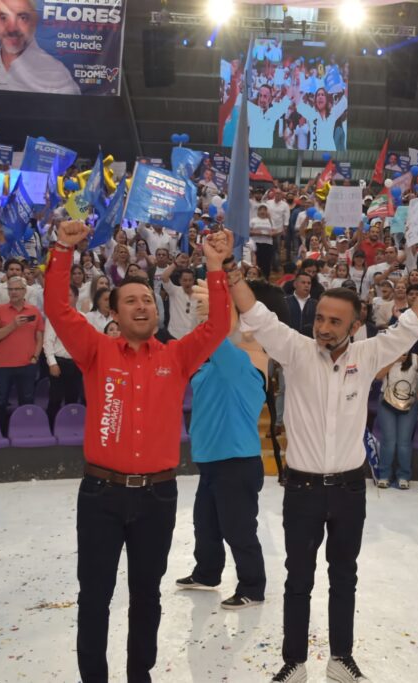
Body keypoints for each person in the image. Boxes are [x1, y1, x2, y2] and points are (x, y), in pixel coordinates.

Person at [229, 241, 418, 683]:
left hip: (350, 489)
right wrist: (231, 275)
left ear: (355, 325)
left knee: (344, 578)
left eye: (335, 321)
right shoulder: (293, 349)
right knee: (298, 581)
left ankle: (341, 659)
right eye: (319, 318)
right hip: (303, 490)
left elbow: (413, 322)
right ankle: (293, 661)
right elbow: (256, 315)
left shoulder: (368, 355)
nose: (324, 327)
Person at [45, 221, 232, 682]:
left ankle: (138, 675)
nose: (142, 305)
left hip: (157, 497)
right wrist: (62, 250)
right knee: (94, 595)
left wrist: (215, 266)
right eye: (131, 299)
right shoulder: (95, 351)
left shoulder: (176, 356)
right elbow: (56, 307)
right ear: (113, 311)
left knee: (147, 594)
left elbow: (219, 324)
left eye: (148, 298)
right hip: (100, 495)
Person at [176, 278, 285, 610]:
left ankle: (253, 585)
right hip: (212, 460)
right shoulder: (222, 360)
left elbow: (216, 340)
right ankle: (207, 572)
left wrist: (218, 316)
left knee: (238, 529)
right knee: (205, 523)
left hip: (236, 462)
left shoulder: (245, 364)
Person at [0, 0, 81, 95]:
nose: (12, 28)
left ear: (34, 22)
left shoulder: (57, 75)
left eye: (22, 17)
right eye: (3, 17)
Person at [0, 276, 44, 432]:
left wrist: (35, 357)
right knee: (0, 401)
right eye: (10, 289)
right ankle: (0, 433)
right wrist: (13, 325)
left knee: (27, 401)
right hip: (3, 365)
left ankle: (26, 431)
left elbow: (39, 338)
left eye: (17, 289)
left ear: (24, 291)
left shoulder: (34, 311)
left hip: (27, 364)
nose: (13, 292)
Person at [375, 351, 418, 490]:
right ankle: (384, 476)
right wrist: (394, 360)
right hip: (387, 401)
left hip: (408, 403)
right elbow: (378, 376)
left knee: (404, 441)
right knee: (389, 441)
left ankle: (404, 476)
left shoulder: (416, 359)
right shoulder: (387, 356)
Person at [44, 286, 84, 425]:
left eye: (69, 295)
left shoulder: (82, 318)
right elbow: (47, 342)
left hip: (77, 364)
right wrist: (52, 363)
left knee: (73, 397)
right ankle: (51, 427)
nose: (66, 298)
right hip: (59, 363)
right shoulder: (55, 317)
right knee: (55, 398)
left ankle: (69, 426)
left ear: (76, 297)